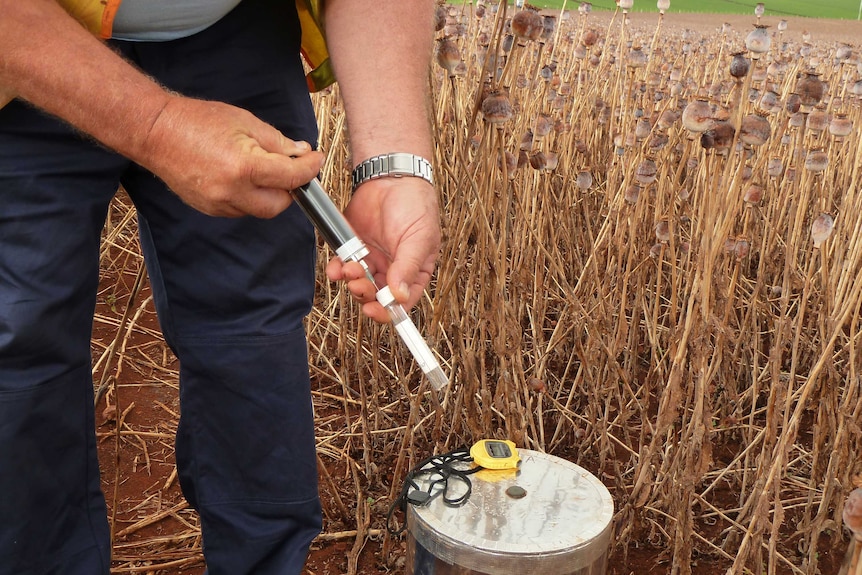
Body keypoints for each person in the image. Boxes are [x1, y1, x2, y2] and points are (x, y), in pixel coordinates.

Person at [0, 0, 440, 573]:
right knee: (17, 345)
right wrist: (159, 127)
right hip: (24, 43)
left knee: (254, 337)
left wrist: (394, 165)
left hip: (237, 30)